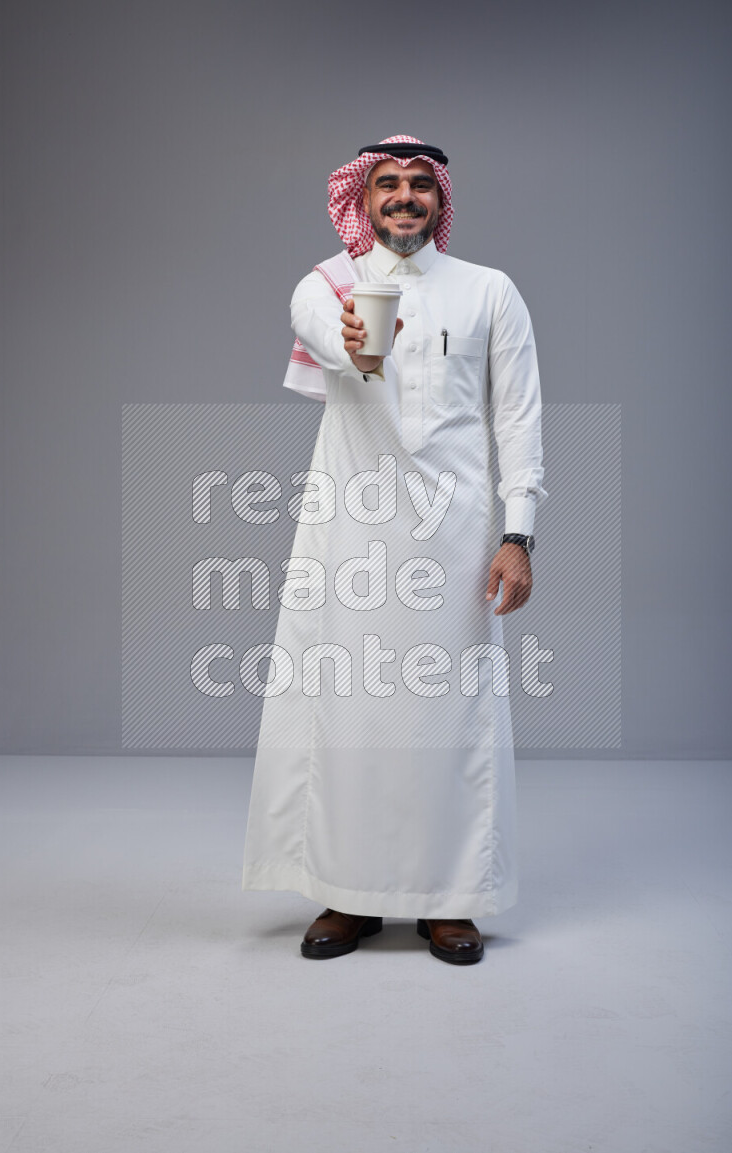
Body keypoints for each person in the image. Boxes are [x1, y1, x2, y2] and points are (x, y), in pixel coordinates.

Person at [241, 135, 547, 965]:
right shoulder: (327, 286)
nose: (404, 196)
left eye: (419, 184)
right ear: (362, 200)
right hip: (352, 534)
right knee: (351, 709)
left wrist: (517, 534)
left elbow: (516, 419)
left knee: (448, 714)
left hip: (454, 539)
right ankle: (349, 892)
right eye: (387, 184)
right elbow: (337, 339)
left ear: (440, 201)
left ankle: (451, 899)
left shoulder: (491, 292)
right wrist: (355, 337)